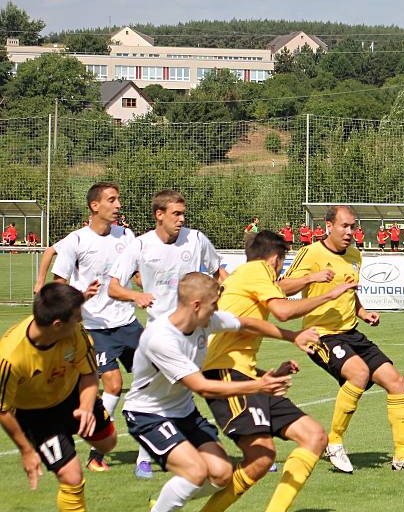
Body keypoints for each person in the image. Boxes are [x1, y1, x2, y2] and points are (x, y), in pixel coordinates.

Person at [199, 231, 358, 512]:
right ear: (274, 260)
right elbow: (283, 311)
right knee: (260, 459)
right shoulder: (256, 270)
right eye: (282, 265)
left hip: (246, 374)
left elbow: (245, 326)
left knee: (314, 436)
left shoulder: (244, 275)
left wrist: (262, 373)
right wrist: (329, 296)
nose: (280, 273)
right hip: (226, 374)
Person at [123, 273, 295, 512]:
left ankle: (165, 500)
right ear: (196, 305)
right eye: (214, 303)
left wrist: (294, 337)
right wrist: (258, 385)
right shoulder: (161, 339)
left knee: (222, 474)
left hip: (184, 412)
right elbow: (201, 387)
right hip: (148, 415)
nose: (218, 308)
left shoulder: (204, 320)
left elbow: (246, 323)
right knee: (195, 471)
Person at [283, 205, 404, 475]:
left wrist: (362, 312)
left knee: (395, 381)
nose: (350, 232)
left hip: (351, 333)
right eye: (344, 226)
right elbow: (281, 287)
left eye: (353, 226)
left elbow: (350, 292)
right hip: (320, 334)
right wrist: (311, 277)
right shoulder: (311, 253)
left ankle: (401, 457)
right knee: (359, 374)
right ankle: (335, 443)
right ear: (328, 226)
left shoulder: (354, 255)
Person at [109, 189, 228, 478]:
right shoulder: (140, 245)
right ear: (158, 215)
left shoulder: (196, 239)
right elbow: (114, 286)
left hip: (194, 329)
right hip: (159, 334)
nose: (181, 219)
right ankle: (144, 457)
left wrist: (227, 293)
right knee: (157, 393)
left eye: (183, 213)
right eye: (176, 213)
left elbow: (219, 270)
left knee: (217, 380)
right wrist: (134, 296)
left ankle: (248, 445)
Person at [33, 182, 139, 473]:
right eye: (111, 200)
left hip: (128, 322)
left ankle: (151, 445)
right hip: (94, 327)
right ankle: (97, 452)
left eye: (118, 200)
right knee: (114, 384)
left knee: (155, 378)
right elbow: (58, 286)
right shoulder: (77, 241)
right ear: (95, 206)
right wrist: (80, 296)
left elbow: (139, 274)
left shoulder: (126, 235)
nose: (118, 205)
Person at [0, 283, 117, 512]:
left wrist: (85, 406)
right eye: (77, 317)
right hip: (36, 415)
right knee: (72, 478)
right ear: (57, 324)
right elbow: (2, 409)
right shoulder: (10, 358)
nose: (81, 320)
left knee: (108, 443)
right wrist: (26, 450)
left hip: (74, 394)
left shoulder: (75, 333)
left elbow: (89, 373)